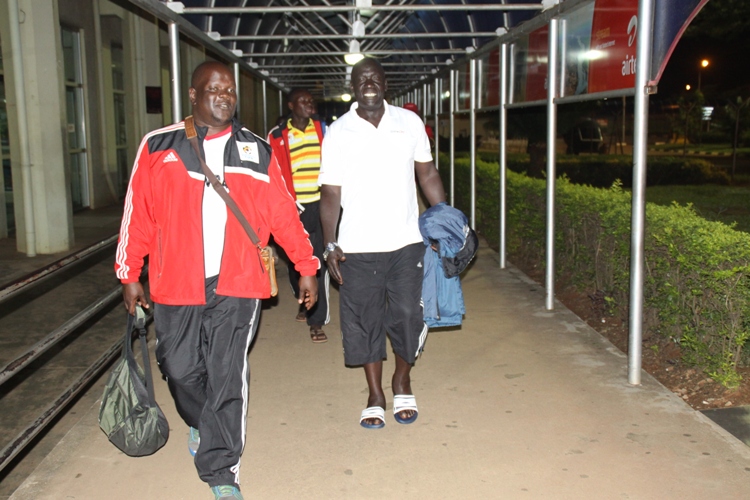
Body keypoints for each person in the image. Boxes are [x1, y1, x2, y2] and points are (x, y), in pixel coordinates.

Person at [115, 61, 319, 500]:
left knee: (227, 374)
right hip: (176, 281)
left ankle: (221, 468)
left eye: (230, 90)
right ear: (193, 95)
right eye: (215, 89)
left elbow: (284, 213)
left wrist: (306, 266)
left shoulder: (256, 150)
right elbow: (139, 214)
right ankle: (201, 422)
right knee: (178, 367)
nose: (225, 96)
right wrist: (129, 273)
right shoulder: (159, 145)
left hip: (239, 281)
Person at [318, 57, 446, 429]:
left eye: (375, 78)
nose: (369, 83)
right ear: (353, 87)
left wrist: (444, 221)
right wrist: (329, 244)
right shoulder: (338, 132)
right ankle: (375, 394)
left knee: (407, 315)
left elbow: (427, 173)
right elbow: (330, 193)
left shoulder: (409, 123)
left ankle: (402, 380)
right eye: (362, 79)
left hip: (406, 241)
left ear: (385, 84)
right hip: (356, 246)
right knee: (364, 320)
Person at [268, 89, 330, 343]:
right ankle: (302, 297)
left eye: (311, 100)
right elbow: (272, 171)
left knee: (318, 261)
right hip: (293, 208)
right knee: (297, 261)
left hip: (322, 204)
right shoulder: (277, 135)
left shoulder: (324, 130)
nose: (309, 103)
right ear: (291, 105)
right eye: (303, 100)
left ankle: (316, 321)